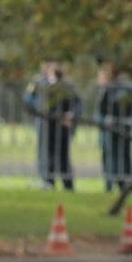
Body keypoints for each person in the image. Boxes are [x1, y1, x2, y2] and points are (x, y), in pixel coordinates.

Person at [23, 60, 81, 190]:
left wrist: (71, 114)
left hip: (62, 125)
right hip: (45, 124)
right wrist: (38, 109)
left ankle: (68, 183)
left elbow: (77, 103)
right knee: (46, 153)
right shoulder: (39, 83)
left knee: (63, 155)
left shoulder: (67, 85)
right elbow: (28, 99)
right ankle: (48, 181)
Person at [96, 61, 132, 193]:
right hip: (110, 127)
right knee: (113, 154)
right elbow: (101, 110)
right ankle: (114, 182)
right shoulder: (109, 89)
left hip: (119, 126)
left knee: (120, 154)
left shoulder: (118, 88)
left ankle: (120, 182)